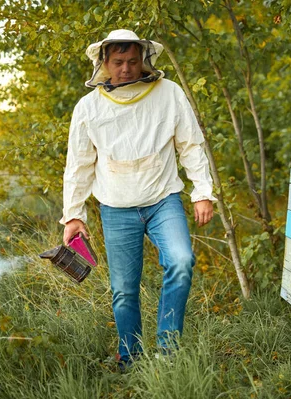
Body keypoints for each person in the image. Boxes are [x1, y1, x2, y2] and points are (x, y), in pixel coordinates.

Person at [60, 29, 216, 369]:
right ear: (104, 62)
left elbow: (190, 144)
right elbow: (79, 165)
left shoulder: (168, 93)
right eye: (118, 62)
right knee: (124, 291)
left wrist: (203, 192)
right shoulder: (88, 107)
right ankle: (130, 359)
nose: (126, 69)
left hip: (163, 200)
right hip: (116, 207)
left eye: (132, 61)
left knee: (181, 261)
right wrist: (74, 215)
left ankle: (168, 352)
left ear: (144, 59)